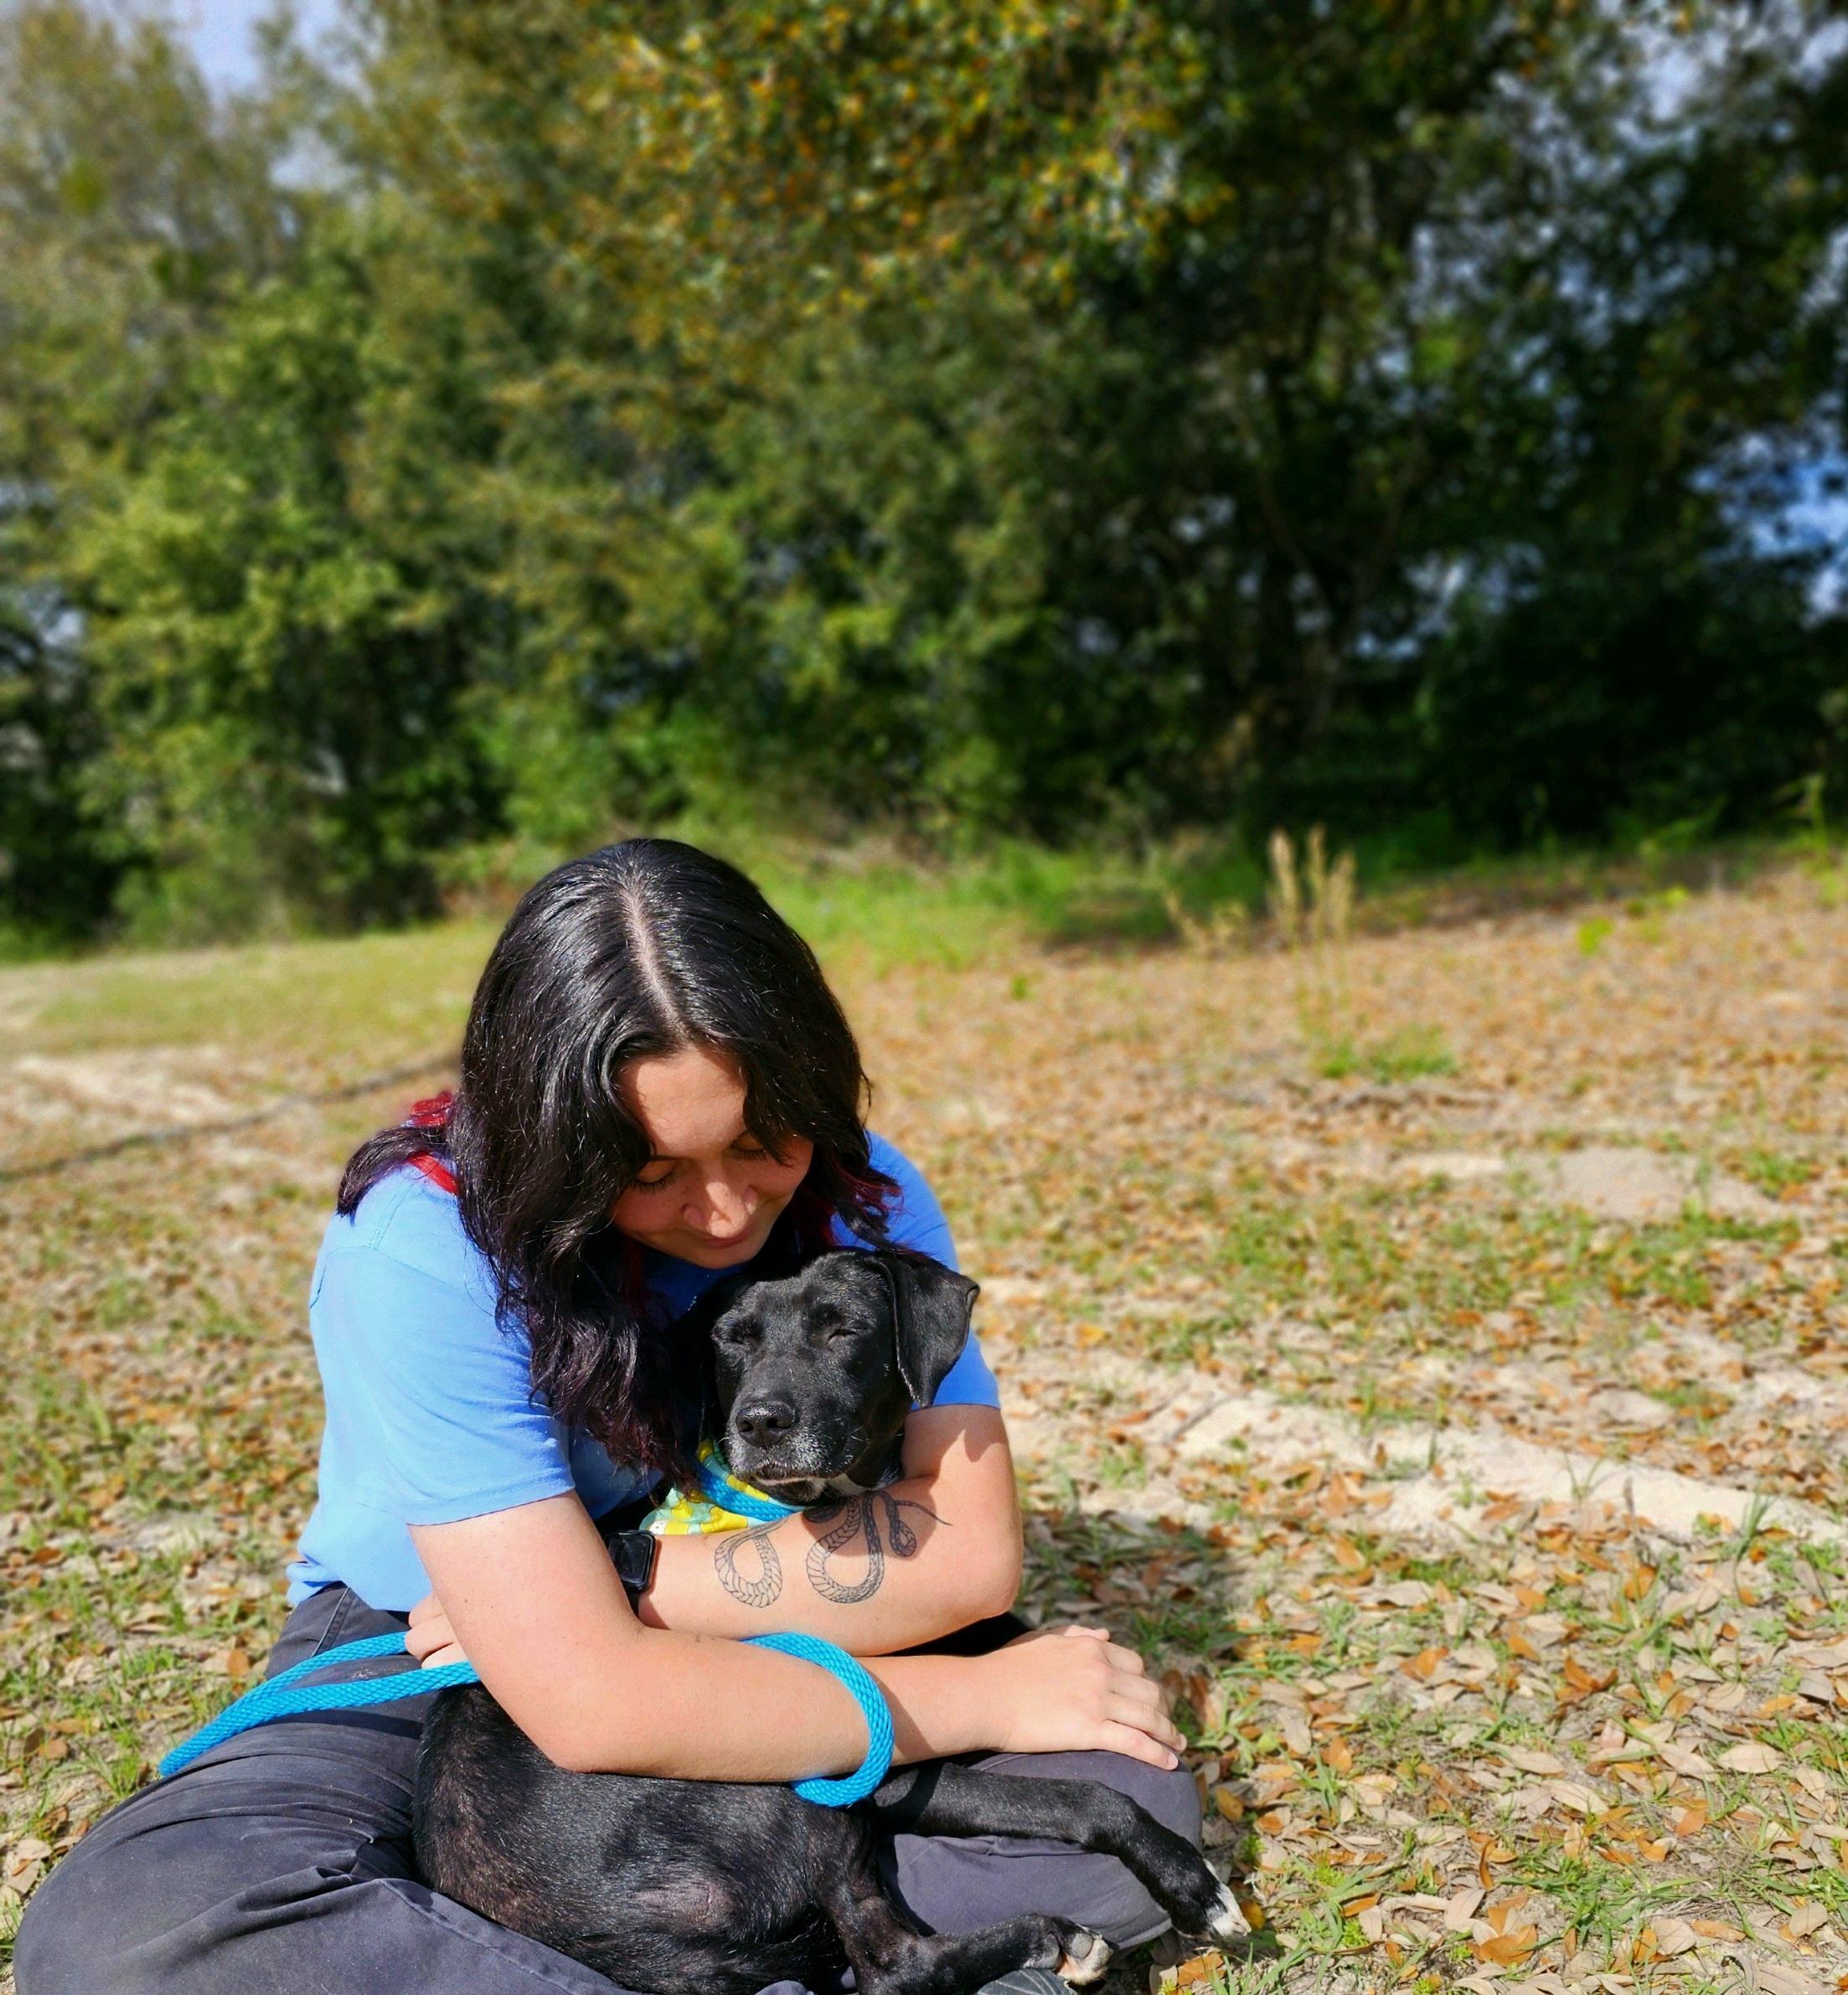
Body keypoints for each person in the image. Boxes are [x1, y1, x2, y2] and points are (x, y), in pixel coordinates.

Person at [16, 838, 1202, 1995]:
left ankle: (610, 1952)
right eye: (651, 1171)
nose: (726, 1209)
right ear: (554, 1143)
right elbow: (588, 1702)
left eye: (763, 1141)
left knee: (1131, 1796)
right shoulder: (426, 1241)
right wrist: (980, 1701)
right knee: (130, 1935)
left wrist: (622, 1590)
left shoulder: (863, 1196)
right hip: (426, 1642)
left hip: (724, 1600)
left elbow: (971, 1554)